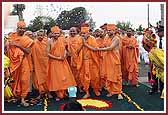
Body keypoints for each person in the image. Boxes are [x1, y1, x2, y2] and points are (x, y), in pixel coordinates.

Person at [7, 21, 34, 106]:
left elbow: (28, 52)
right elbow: (7, 46)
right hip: (13, 62)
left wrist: (18, 45)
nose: (22, 30)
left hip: (24, 61)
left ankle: (23, 99)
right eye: (20, 28)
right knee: (14, 79)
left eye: (23, 28)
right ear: (17, 28)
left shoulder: (27, 40)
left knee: (24, 80)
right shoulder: (11, 36)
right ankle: (16, 96)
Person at [47, 26, 76, 101]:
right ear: (52, 34)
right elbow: (47, 53)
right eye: (55, 33)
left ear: (60, 34)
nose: (56, 35)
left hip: (63, 61)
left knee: (65, 77)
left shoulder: (62, 39)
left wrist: (65, 55)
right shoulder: (49, 41)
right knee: (57, 78)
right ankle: (59, 93)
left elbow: (67, 49)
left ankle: (65, 92)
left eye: (58, 33)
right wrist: (57, 58)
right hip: (54, 62)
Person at [98, 24, 123, 99]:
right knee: (108, 75)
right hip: (107, 60)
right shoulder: (106, 37)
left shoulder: (116, 38)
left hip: (114, 60)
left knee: (117, 76)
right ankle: (111, 91)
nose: (109, 32)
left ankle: (118, 92)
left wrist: (97, 49)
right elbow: (104, 46)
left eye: (110, 30)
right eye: (108, 30)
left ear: (114, 31)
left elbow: (110, 48)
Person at [78, 25, 100, 98]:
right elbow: (77, 51)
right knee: (85, 78)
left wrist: (85, 44)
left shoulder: (93, 39)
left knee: (95, 76)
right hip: (84, 62)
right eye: (82, 33)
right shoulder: (79, 39)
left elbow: (95, 49)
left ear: (88, 33)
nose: (83, 35)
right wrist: (82, 44)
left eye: (85, 33)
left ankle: (96, 89)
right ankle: (87, 92)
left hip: (92, 61)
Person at [31, 29, 49, 98]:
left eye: (41, 35)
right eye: (38, 35)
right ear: (36, 36)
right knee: (39, 78)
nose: (40, 37)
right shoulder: (33, 43)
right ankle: (40, 93)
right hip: (37, 64)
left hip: (46, 63)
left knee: (47, 78)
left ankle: (48, 92)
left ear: (44, 36)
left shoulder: (46, 42)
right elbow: (31, 54)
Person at [67, 27, 83, 92]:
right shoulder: (67, 39)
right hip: (71, 59)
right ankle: (73, 86)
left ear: (77, 32)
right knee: (72, 74)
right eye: (71, 31)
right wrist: (68, 53)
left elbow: (82, 46)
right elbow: (65, 47)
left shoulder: (80, 38)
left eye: (74, 31)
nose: (72, 33)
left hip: (79, 58)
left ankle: (80, 86)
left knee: (79, 73)